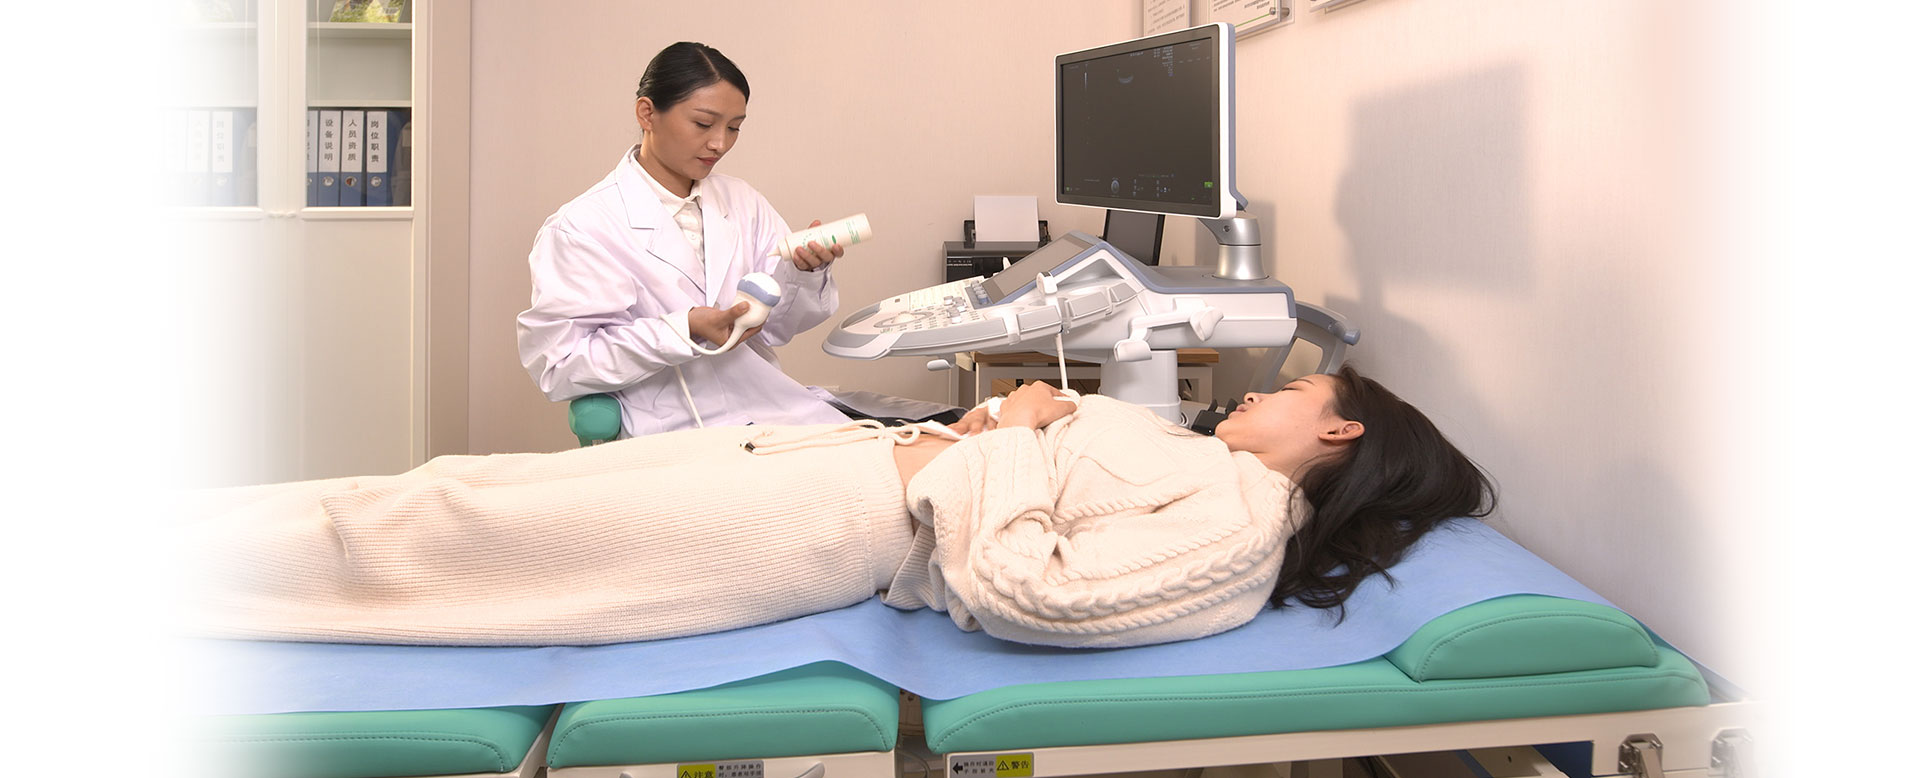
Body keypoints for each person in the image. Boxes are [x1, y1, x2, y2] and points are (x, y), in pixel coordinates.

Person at [183, 366, 1494, 649]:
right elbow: (1034, 481)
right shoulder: (1189, 448)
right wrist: (999, 427)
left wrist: (1016, 435)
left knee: (437, 540)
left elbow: (1031, 590)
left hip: (835, 527)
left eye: (1290, 387)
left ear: (1341, 429)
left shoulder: (1241, 526)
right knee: (453, 483)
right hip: (825, 465)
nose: (1258, 389)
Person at [516, 41, 853, 438]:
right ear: (647, 113)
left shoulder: (742, 201)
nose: (720, 143)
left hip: (769, 413)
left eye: (734, 127)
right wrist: (682, 330)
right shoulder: (583, 226)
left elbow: (776, 328)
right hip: (668, 430)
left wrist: (802, 273)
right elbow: (561, 366)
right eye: (703, 124)